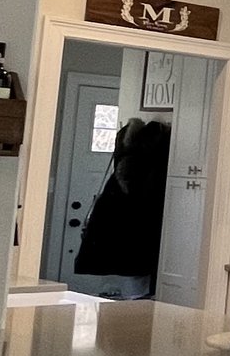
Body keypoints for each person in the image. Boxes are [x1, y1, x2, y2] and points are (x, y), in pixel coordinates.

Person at [72, 116, 170, 298]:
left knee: (125, 278)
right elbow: (135, 191)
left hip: (111, 222)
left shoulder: (124, 157)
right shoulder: (139, 164)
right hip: (133, 226)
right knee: (135, 277)